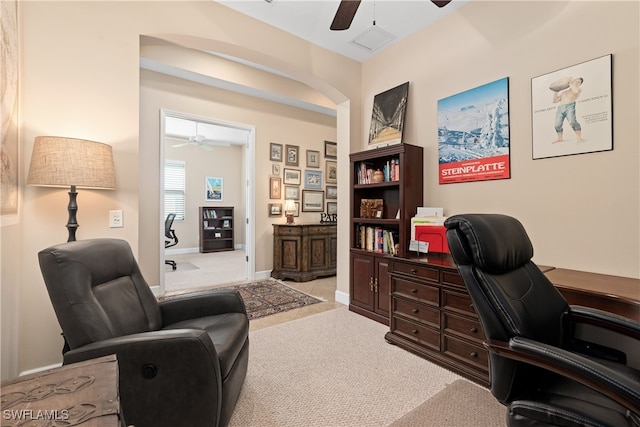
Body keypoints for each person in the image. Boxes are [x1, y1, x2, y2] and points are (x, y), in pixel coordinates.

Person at [552, 77, 584, 143]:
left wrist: (571, 82)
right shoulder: (564, 92)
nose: (577, 82)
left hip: (570, 106)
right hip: (561, 108)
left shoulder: (578, 89)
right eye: (576, 80)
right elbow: (555, 101)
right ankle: (560, 139)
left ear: (580, 84)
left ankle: (579, 138)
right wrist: (556, 91)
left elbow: (575, 91)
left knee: (572, 122)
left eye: (579, 82)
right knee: (557, 125)